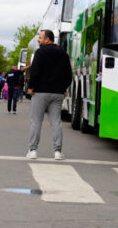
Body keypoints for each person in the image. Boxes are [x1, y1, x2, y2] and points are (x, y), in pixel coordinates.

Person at [26, 29, 72, 161]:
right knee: (56, 122)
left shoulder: (40, 52)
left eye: (40, 37)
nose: (38, 40)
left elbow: (34, 71)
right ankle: (58, 151)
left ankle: (33, 150)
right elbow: (69, 75)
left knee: (36, 122)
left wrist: (31, 87)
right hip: (57, 93)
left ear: (47, 39)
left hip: (40, 92)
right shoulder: (63, 53)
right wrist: (63, 88)